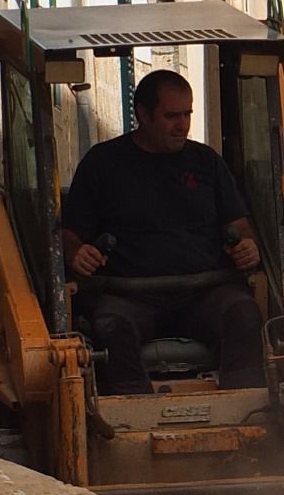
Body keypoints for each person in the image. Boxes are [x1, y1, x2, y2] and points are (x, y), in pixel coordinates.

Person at [61, 69, 263, 395]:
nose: (182, 124)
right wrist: (76, 253)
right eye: (172, 116)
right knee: (110, 325)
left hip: (204, 292)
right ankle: (130, 418)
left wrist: (248, 245)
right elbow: (70, 235)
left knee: (244, 314)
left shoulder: (206, 162)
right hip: (130, 295)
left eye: (187, 114)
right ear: (143, 114)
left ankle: (248, 408)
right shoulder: (103, 164)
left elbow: (239, 224)